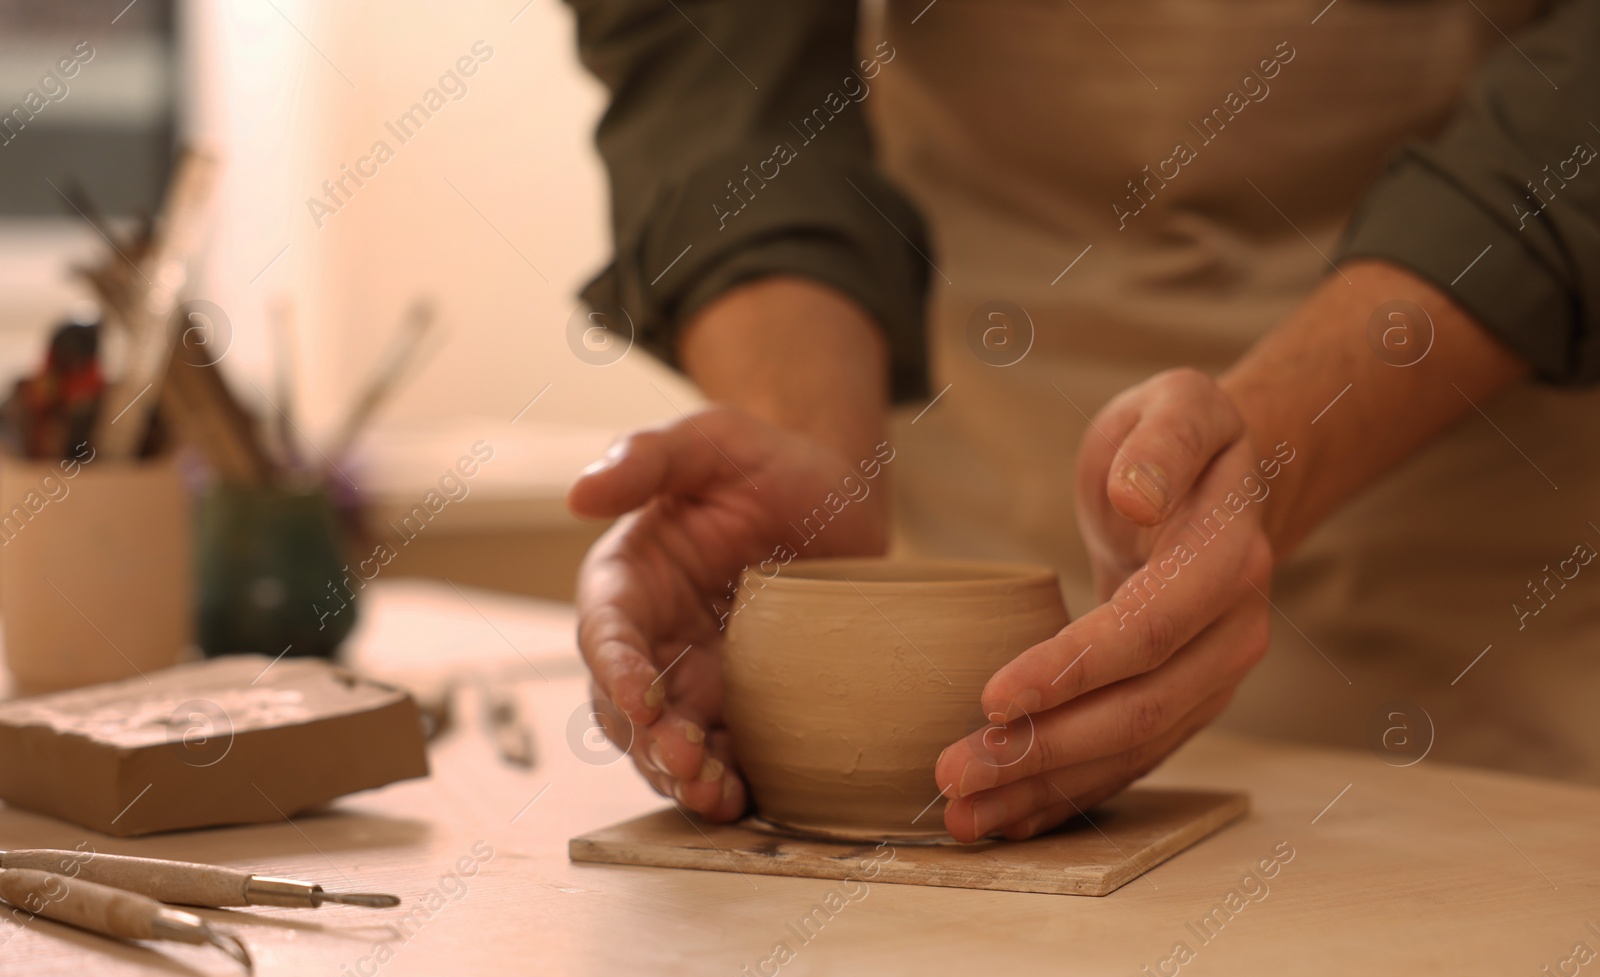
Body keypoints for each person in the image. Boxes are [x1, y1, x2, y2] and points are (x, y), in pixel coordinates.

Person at [562, 0, 1600, 842]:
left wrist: (1272, 445)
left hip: (1488, 549)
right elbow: (710, 49)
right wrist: (811, 445)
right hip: (978, 454)